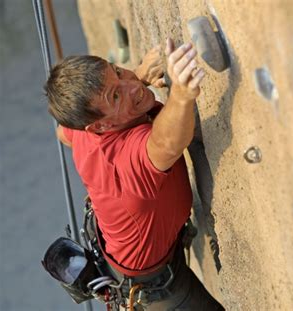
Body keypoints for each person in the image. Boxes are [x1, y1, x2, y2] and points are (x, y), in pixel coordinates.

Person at [44, 38, 224, 310]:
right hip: (154, 286)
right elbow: (165, 143)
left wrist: (138, 77)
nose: (132, 85)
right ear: (100, 126)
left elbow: (62, 133)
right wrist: (182, 94)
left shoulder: (82, 128)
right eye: (116, 96)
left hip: (130, 243)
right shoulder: (125, 162)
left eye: (117, 72)